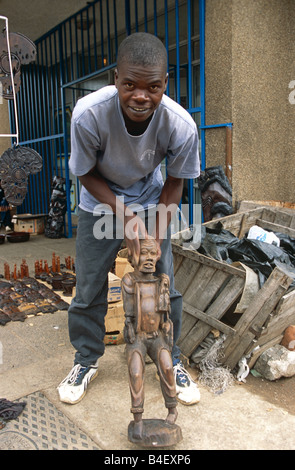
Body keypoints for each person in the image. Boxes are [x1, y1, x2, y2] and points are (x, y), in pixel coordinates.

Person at [57, 32, 201, 406]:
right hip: (99, 203)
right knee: (88, 287)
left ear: (165, 84)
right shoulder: (89, 114)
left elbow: (174, 183)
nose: (141, 96)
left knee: (164, 282)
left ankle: (172, 360)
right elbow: (85, 173)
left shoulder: (180, 126)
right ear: (115, 80)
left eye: (153, 86)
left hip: (153, 197)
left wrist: (151, 234)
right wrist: (123, 216)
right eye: (130, 85)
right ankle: (86, 360)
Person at [122, 237, 178, 441]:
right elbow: (129, 312)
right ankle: (138, 419)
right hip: (138, 337)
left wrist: (166, 326)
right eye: (143, 253)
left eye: (152, 254)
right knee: (136, 372)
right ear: (133, 256)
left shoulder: (161, 280)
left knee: (168, 367)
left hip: (157, 337)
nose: (148, 259)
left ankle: (172, 411)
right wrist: (128, 326)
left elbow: (165, 313)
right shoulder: (129, 281)